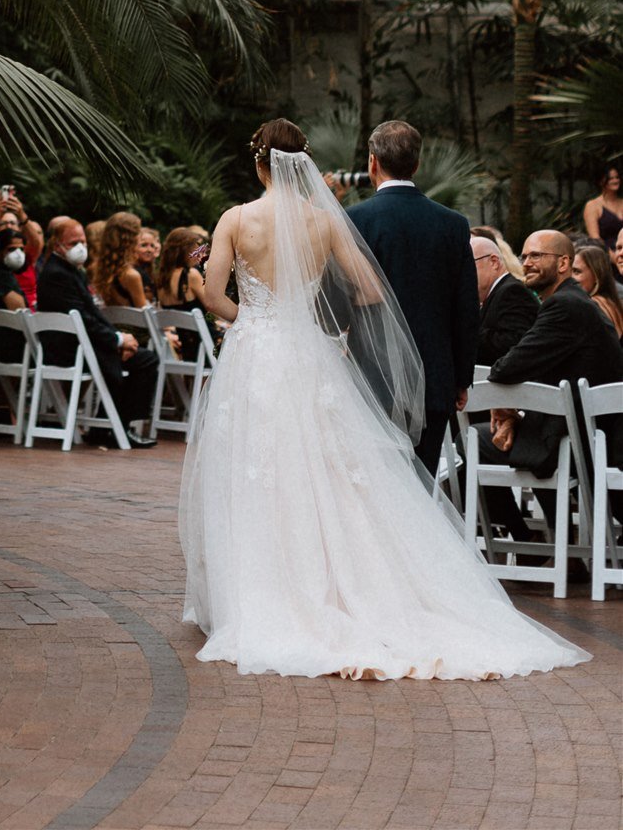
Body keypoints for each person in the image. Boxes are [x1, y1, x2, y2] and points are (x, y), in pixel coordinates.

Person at [179, 119, 588, 680]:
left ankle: (258, 590)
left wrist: (253, 320)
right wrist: (315, 321)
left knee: (256, 466)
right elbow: (370, 290)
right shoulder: (325, 222)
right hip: (308, 352)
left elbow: (212, 291)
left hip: (258, 352)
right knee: (326, 472)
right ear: (302, 165)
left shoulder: (236, 219)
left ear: (257, 164)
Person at [346, 120, 479, 475]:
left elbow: (342, 295)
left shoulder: (354, 220)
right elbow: (465, 308)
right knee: (420, 483)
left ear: (372, 162)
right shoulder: (452, 224)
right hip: (433, 378)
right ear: (417, 165)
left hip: (371, 375)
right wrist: (461, 378)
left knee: (375, 485)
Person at [479, 230, 623, 516]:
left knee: (471, 440)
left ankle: (529, 537)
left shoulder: (565, 305)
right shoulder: (570, 301)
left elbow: (508, 366)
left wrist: (506, 408)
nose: (527, 263)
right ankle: (558, 543)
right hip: (582, 432)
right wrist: (514, 411)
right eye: (524, 256)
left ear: (562, 264)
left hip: (583, 442)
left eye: (536, 255)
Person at [37, 218, 158, 447]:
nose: (81, 246)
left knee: (137, 356)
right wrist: (117, 340)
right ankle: (120, 427)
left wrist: (118, 339)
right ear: (56, 244)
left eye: (83, 241)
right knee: (146, 360)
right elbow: (83, 319)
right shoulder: (57, 274)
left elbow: (93, 314)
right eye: (74, 242)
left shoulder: (70, 270)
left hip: (84, 345)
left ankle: (107, 427)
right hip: (71, 350)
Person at [471, 231, 539, 364]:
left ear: (494, 262)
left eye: (467, 263)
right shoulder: (498, 292)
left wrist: (464, 329)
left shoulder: (512, 291)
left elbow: (511, 343)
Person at [156, 226, 210, 359]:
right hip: (204, 344)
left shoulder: (160, 278)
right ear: (185, 251)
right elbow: (212, 305)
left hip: (184, 347)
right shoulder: (190, 275)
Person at [90, 210, 149, 308]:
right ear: (131, 239)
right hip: (133, 322)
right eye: (139, 233)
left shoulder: (98, 269)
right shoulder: (131, 275)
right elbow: (144, 314)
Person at [572, 240, 623, 336]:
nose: (570, 278)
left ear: (596, 275)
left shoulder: (592, 305)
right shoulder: (610, 302)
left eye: (576, 271)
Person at [582, 162, 623, 251]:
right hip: (606, 255)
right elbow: (595, 238)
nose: (615, 181)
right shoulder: (593, 205)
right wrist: (613, 256)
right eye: (610, 178)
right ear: (601, 181)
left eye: (617, 177)